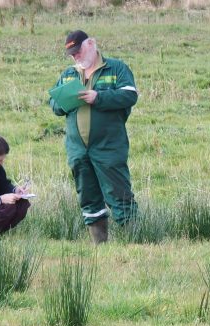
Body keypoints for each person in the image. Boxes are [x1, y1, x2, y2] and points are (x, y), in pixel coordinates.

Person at [50, 30, 138, 244]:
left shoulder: (116, 68)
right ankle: (99, 245)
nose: (76, 57)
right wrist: (63, 102)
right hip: (78, 149)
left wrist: (99, 97)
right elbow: (53, 104)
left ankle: (134, 243)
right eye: (72, 54)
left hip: (108, 146)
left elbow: (130, 94)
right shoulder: (68, 75)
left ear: (91, 44)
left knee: (119, 194)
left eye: (78, 51)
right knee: (88, 197)